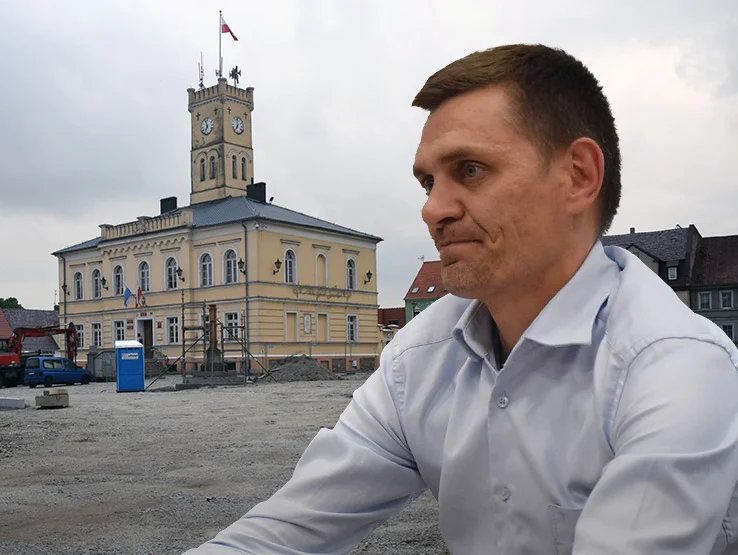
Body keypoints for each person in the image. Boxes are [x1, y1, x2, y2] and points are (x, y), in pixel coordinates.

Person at [185, 44, 738, 554]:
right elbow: (289, 528)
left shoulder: (672, 367)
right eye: (429, 183)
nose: (432, 210)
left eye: (470, 171)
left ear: (578, 176)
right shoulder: (420, 359)